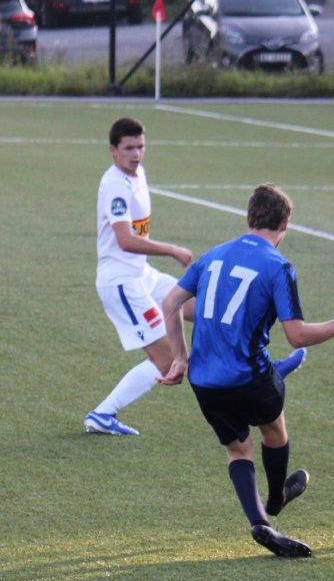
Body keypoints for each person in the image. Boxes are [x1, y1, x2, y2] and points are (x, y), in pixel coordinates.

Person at [157, 184, 334, 557]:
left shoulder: (213, 255)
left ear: (248, 218)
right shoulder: (278, 266)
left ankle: (260, 522)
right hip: (249, 377)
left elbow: (170, 303)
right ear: (285, 224)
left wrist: (179, 356)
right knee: (274, 428)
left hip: (204, 380)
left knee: (238, 451)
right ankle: (277, 498)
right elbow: (297, 335)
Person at [84, 118, 307, 437]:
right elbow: (125, 240)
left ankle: (264, 371)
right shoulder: (115, 187)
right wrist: (172, 249)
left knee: (211, 309)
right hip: (121, 283)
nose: (136, 154)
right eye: (129, 148)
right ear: (112, 150)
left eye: (141, 147)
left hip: (141, 274)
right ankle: (103, 413)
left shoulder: (137, 174)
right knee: (167, 359)